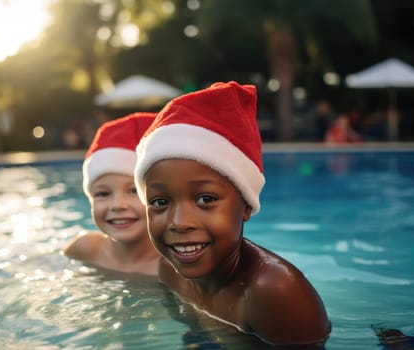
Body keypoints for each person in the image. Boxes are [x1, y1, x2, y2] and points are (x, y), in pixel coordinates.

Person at [134, 82, 332, 346]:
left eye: (206, 199)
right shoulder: (169, 268)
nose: (179, 222)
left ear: (246, 205)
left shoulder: (275, 292)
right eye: (160, 201)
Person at [63, 112, 161, 276]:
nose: (118, 205)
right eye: (102, 194)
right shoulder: (85, 249)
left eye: (134, 190)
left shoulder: (173, 269)